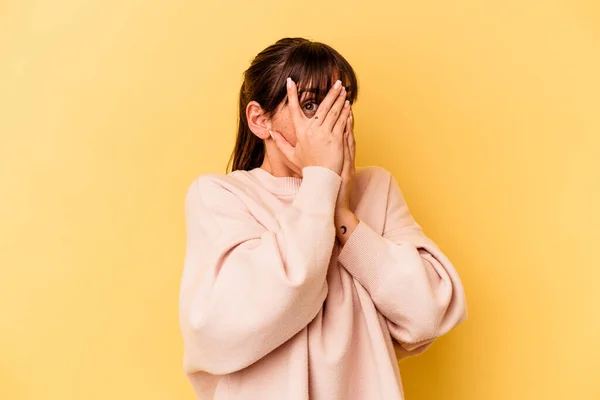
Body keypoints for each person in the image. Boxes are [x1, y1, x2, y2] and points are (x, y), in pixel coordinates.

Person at [179, 37, 468, 400]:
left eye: (340, 104)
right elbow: (238, 317)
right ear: (259, 119)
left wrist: (344, 214)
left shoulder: (376, 189)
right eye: (312, 104)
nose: (331, 122)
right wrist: (320, 183)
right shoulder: (222, 196)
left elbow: (426, 314)